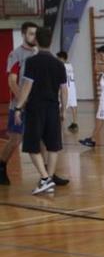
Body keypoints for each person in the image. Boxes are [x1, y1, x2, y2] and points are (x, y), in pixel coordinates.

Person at [11, 27, 68, 195]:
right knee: (53, 146)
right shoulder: (59, 63)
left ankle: (44, 179)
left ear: (36, 40)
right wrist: (63, 110)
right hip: (53, 107)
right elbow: (64, 90)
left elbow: (27, 86)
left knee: (31, 145)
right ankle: (48, 179)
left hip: (36, 108)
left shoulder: (32, 62)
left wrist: (18, 107)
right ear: (50, 42)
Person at [1, 22, 38, 186]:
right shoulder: (16, 54)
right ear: (23, 34)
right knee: (15, 140)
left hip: (36, 105)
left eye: (35, 34)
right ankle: (1, 166)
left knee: (42, 139)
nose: (34, 37)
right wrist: (22, 102)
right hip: (20, 106)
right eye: (31, 34)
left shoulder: (38, 53)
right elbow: (12, 82)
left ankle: (47, 174)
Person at [57, 51, 79, 132]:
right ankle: (75, 123)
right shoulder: (70, 65)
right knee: (74, 105)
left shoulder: (61, 66)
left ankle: (60, 125)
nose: (57, 60)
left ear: (62, 58)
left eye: (58, 58)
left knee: (61, 106)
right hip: (72, 88)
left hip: (65, 88)